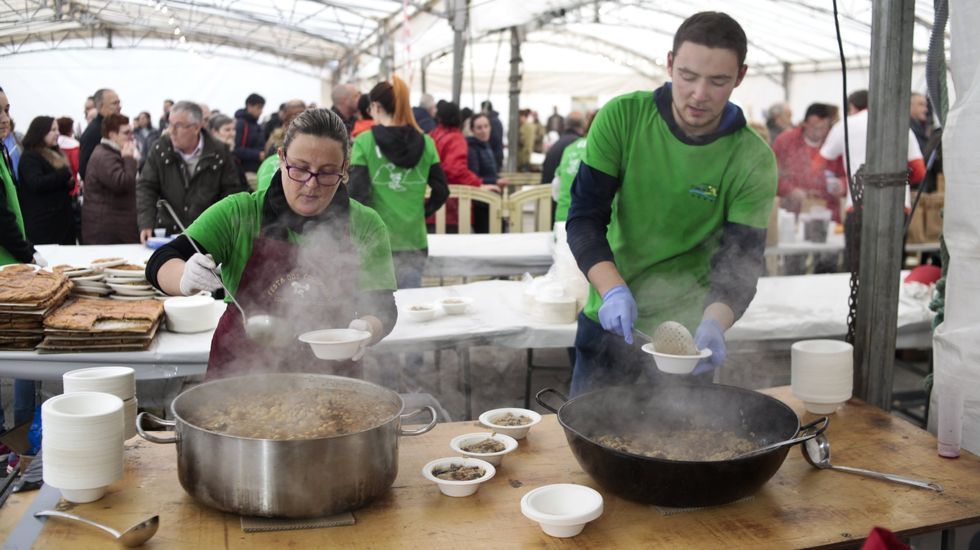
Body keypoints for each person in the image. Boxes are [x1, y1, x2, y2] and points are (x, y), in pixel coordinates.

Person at [566, 11, 777, 395]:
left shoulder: (752, 158)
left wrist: (716, 321)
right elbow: (583, 219)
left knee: (680, 446)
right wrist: (612, 289)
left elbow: (741, 264)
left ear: (740, 77)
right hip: (608, 324)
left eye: (718, 81)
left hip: (688, 341)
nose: (699, 94)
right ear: (669, 64)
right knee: (590, 440)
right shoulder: (623, 118)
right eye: (687, 75)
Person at [145, 109, 397, 380]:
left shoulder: (365, 224)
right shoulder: (239, 213)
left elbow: (383, 307)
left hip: (332, 378)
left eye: (326, 173)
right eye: (300, 168)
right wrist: (184, 277)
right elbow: (161, 260)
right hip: (241, 375)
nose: (311, 184)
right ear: (281, 158)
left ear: (344, 169)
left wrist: (365, 330)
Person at [348, 75, 448, 289]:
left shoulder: (364, 142)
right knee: (409, 309)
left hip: (376, 240)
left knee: (379, 310)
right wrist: (421, 211)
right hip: (414, 240)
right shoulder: (427, 142)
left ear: (375, 106)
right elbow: (441, 190)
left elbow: (357, 194)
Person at [819, 89, 925, 271]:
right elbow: (919, 172)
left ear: (852, 107)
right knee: (891, 269)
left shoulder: (845, 125)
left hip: (860, 206)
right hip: (897, 207)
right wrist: (896, 180)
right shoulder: (900, 125)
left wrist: (843, 182)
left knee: (856, 269)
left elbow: (819, 164)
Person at [136, 101, 241, 243]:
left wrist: (225, 230)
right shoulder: (160, 149)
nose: (171, 131)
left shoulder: (220, 152)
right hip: (168, 233)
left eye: (178, 126)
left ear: (196, 128)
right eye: (170, 124)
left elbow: (230, 194)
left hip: (207, 234)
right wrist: (146, 223)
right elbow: (146, 187)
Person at [772, 103, 841, 274]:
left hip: (828, 214)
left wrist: (841, 184)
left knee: (827, 265)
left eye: (823, 127)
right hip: (793, 215)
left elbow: (847, 173)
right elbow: (772, 175)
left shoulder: (834, 142)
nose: (819, 132)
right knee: (794, 265)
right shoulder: (785, 141)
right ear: (804, 124)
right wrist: (790, 190)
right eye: (814, 127)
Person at [426, 101, 498, 233]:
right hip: (451, 207)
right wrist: (479, 184)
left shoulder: (433, 134)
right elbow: (455, 169)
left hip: (432, 202)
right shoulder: (455, 138)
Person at [82, 113, 139, 244]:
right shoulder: (105, 156)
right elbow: (123, 183)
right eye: (126, 133)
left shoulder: (111, 152)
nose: (131, 136)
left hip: (113, 227)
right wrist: (129, 159)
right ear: (112, 135)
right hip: (107, 232)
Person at [18, 116, 75, 245]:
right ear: (40, 132)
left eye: (58, 129)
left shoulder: (55, 153)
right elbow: (36, 183)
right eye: (53, 130)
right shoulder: (30, 157)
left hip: (61, 223)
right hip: (44, 226)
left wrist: (69, 183)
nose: (58, 133)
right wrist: (63, 175)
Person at [552, 111, 594, 223]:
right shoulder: (604, 150)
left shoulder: (570, 148)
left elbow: (556, 189)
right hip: (592, 224)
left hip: (563, 217)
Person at [79, 88, 121, 180]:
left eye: (119, 102)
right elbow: (84, 170)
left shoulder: (110, 127)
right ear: (100, 106)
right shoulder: (94, 132)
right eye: (114, 103)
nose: (119, 106)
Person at [233, 93, 266, 185]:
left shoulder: (257, 125)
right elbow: (236, 149)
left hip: (258, 169)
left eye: (262, 108)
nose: (261, 111)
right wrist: (258, 154)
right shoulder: (241, 123)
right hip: (245, 171)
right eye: (258, 107)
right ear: (249, 106)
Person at [481, 100, 505, 169]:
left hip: (494, 155)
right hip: (497, 154)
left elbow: (495, 138)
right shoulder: (495, 120)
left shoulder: (492, 121)